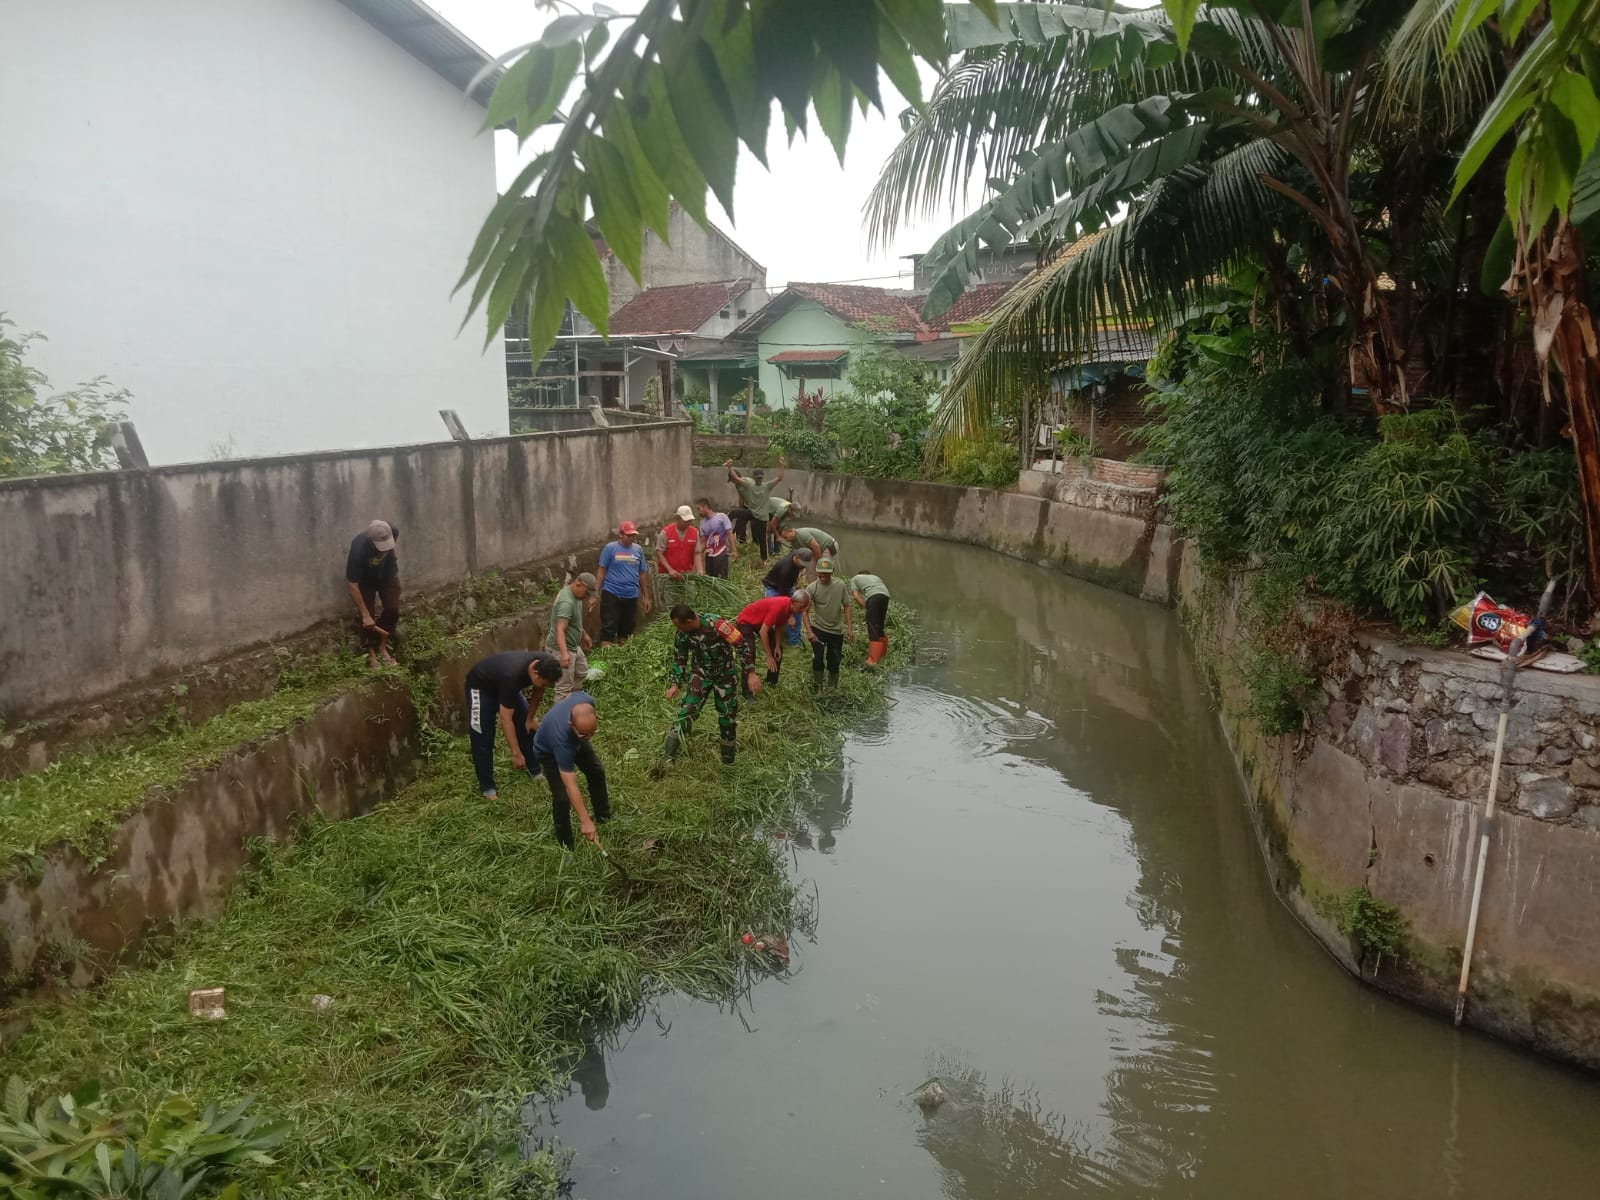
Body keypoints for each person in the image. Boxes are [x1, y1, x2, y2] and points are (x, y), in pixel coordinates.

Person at [663, 604, 763, 765]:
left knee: (727, 717)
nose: (677, 628)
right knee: (687, 711)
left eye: (678, 624)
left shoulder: (718, 624)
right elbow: (679, 658)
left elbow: (742, 645)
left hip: (725, 675)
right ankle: (667, 759)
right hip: (700, 674)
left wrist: (751, 672)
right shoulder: (682, 633)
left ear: (688, 621)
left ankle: (728, 762)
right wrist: (675, 684)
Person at [464, 649, 563, 799]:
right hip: (481, 687)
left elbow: (539, 690)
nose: (544, 686)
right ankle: (488, 787)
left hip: (504, 683)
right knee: (482, 734)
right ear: (535, 673)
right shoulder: (511, 676)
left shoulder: (547, 664)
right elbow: (506, 719)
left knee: (527, 726)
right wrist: (516, 753)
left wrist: (530, 719)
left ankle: (534, 770)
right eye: (543, 683)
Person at [531, 691, 610, 850]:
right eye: (585, 735)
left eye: (593, 733)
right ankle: (566, 845)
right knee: (562, 797)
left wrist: (583, 736)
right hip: (548, 752)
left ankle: (604, 816)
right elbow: (571, 785)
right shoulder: (562, 742)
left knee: (596, 771)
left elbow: (573, 695)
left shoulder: (587, 700)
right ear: (571, 724)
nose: (589, 738)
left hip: (575, 738)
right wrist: (585, 820)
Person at [345, 519, 401, 669]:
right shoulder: (358, 548)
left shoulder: (393, 530)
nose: (384, 549)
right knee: (367, 617)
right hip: (366, 581)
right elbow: (353, 584)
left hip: (387, 574)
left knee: (392, 609)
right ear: (371, 540)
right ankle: (371, 652)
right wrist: (365, 614)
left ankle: (382, 645)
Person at [737, 591, 811, 686]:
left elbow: (779, 626)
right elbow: (763, 632)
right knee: (749, 651)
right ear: (794, 602)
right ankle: (747, 689)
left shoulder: (789, 609)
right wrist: (769, 656)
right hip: (746, 620)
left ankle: (771, 682)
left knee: (778, 650)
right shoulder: (779, 607)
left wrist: (776, 646)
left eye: (805, 607)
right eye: (802, 606)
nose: (803, 610)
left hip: (760, 621)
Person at [596, 521, 651, 645]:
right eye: (628, 535)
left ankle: (622, 655)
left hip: (631, 595)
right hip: (612, 593)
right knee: (608, 628)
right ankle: (607, 654)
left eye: (633, 535)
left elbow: (642, 573)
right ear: (621, 534)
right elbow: (602, 571)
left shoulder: (638, 550)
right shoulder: (610, 548)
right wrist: (596, 592)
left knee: (626, 630)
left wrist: (646, 597)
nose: (631, 538)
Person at [803, 557, 853, 687]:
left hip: (836, 631)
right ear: (816, 571)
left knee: (834, 661)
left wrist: (849, 629)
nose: (823, 575)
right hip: (818, 629)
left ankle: (832, 688)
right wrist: (809, 631)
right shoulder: (811, 588)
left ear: (832, 572)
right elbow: (804, 611)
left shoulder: (840, 585)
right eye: (820, 572)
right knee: (817, 659)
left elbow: (847, 605)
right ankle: (817, 686)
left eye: (826, 573)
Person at [547, 572, 597, 699]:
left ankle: (573, 699)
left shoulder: (575, 596)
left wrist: (584, 634)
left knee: (581, 672)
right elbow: (560, 629)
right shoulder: (567, 602)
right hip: (562, 647)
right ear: (579, 584)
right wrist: (564, 654)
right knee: (563, 688)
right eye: (586, 593)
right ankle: (562, 714)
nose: (586, 597)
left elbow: (574, 622)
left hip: (573, 645)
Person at [725, 456, 785, 561]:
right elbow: (736, 479)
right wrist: (730, 467)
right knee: (734, 513)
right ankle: (723, 527)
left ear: (763, 478)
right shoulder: (749, 484)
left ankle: (764, 560)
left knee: (762, 540)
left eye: (761, 478)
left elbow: (779, 478)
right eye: (757, 478)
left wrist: (782, 466)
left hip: (762, 518)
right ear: (754, 477)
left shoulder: (767, 486)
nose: (759, 479)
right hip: (752, 512)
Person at [761, 546, 812, 645]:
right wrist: (789, 616)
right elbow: (784, 597)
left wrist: (797, 575)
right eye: (801, 564)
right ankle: (772, 638)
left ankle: (795, 641)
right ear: (796, 557)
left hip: (787, 585)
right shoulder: (786, 570)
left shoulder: (795, 552)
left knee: (799, 610)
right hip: (774, 588)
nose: (803, 566)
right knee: (777, 613)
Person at [657, 505, 700, 608]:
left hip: (687, 575)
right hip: (668, 576)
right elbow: (659, 552)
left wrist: (699, 569)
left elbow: (697, 553)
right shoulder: (666, 532)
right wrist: (670, 570)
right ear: (678, 518)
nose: (688, 523)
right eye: (685, 521)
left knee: (690, 602)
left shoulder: (694, 532)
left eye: (690, 520)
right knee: (671, 604)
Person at [850, 572, 893, 667]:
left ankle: (873, 660)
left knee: (872, 626)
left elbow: (856, 596)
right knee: (880, 625)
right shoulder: (875, 576)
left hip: (873, 597)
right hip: (885, 595)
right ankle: (882, 654)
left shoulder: (854, 578)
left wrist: (867, 607)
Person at [695, 498, 735, 579]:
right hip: (709, 554)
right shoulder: (702, 523)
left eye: (699, 509)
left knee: (722, 578)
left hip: (721, 553)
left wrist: (734, 550)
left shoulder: (721, 517)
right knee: (711, 578)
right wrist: (698, 552)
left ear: (705, 507)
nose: (698, 512)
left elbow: (729, 533)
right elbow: (703, 541)